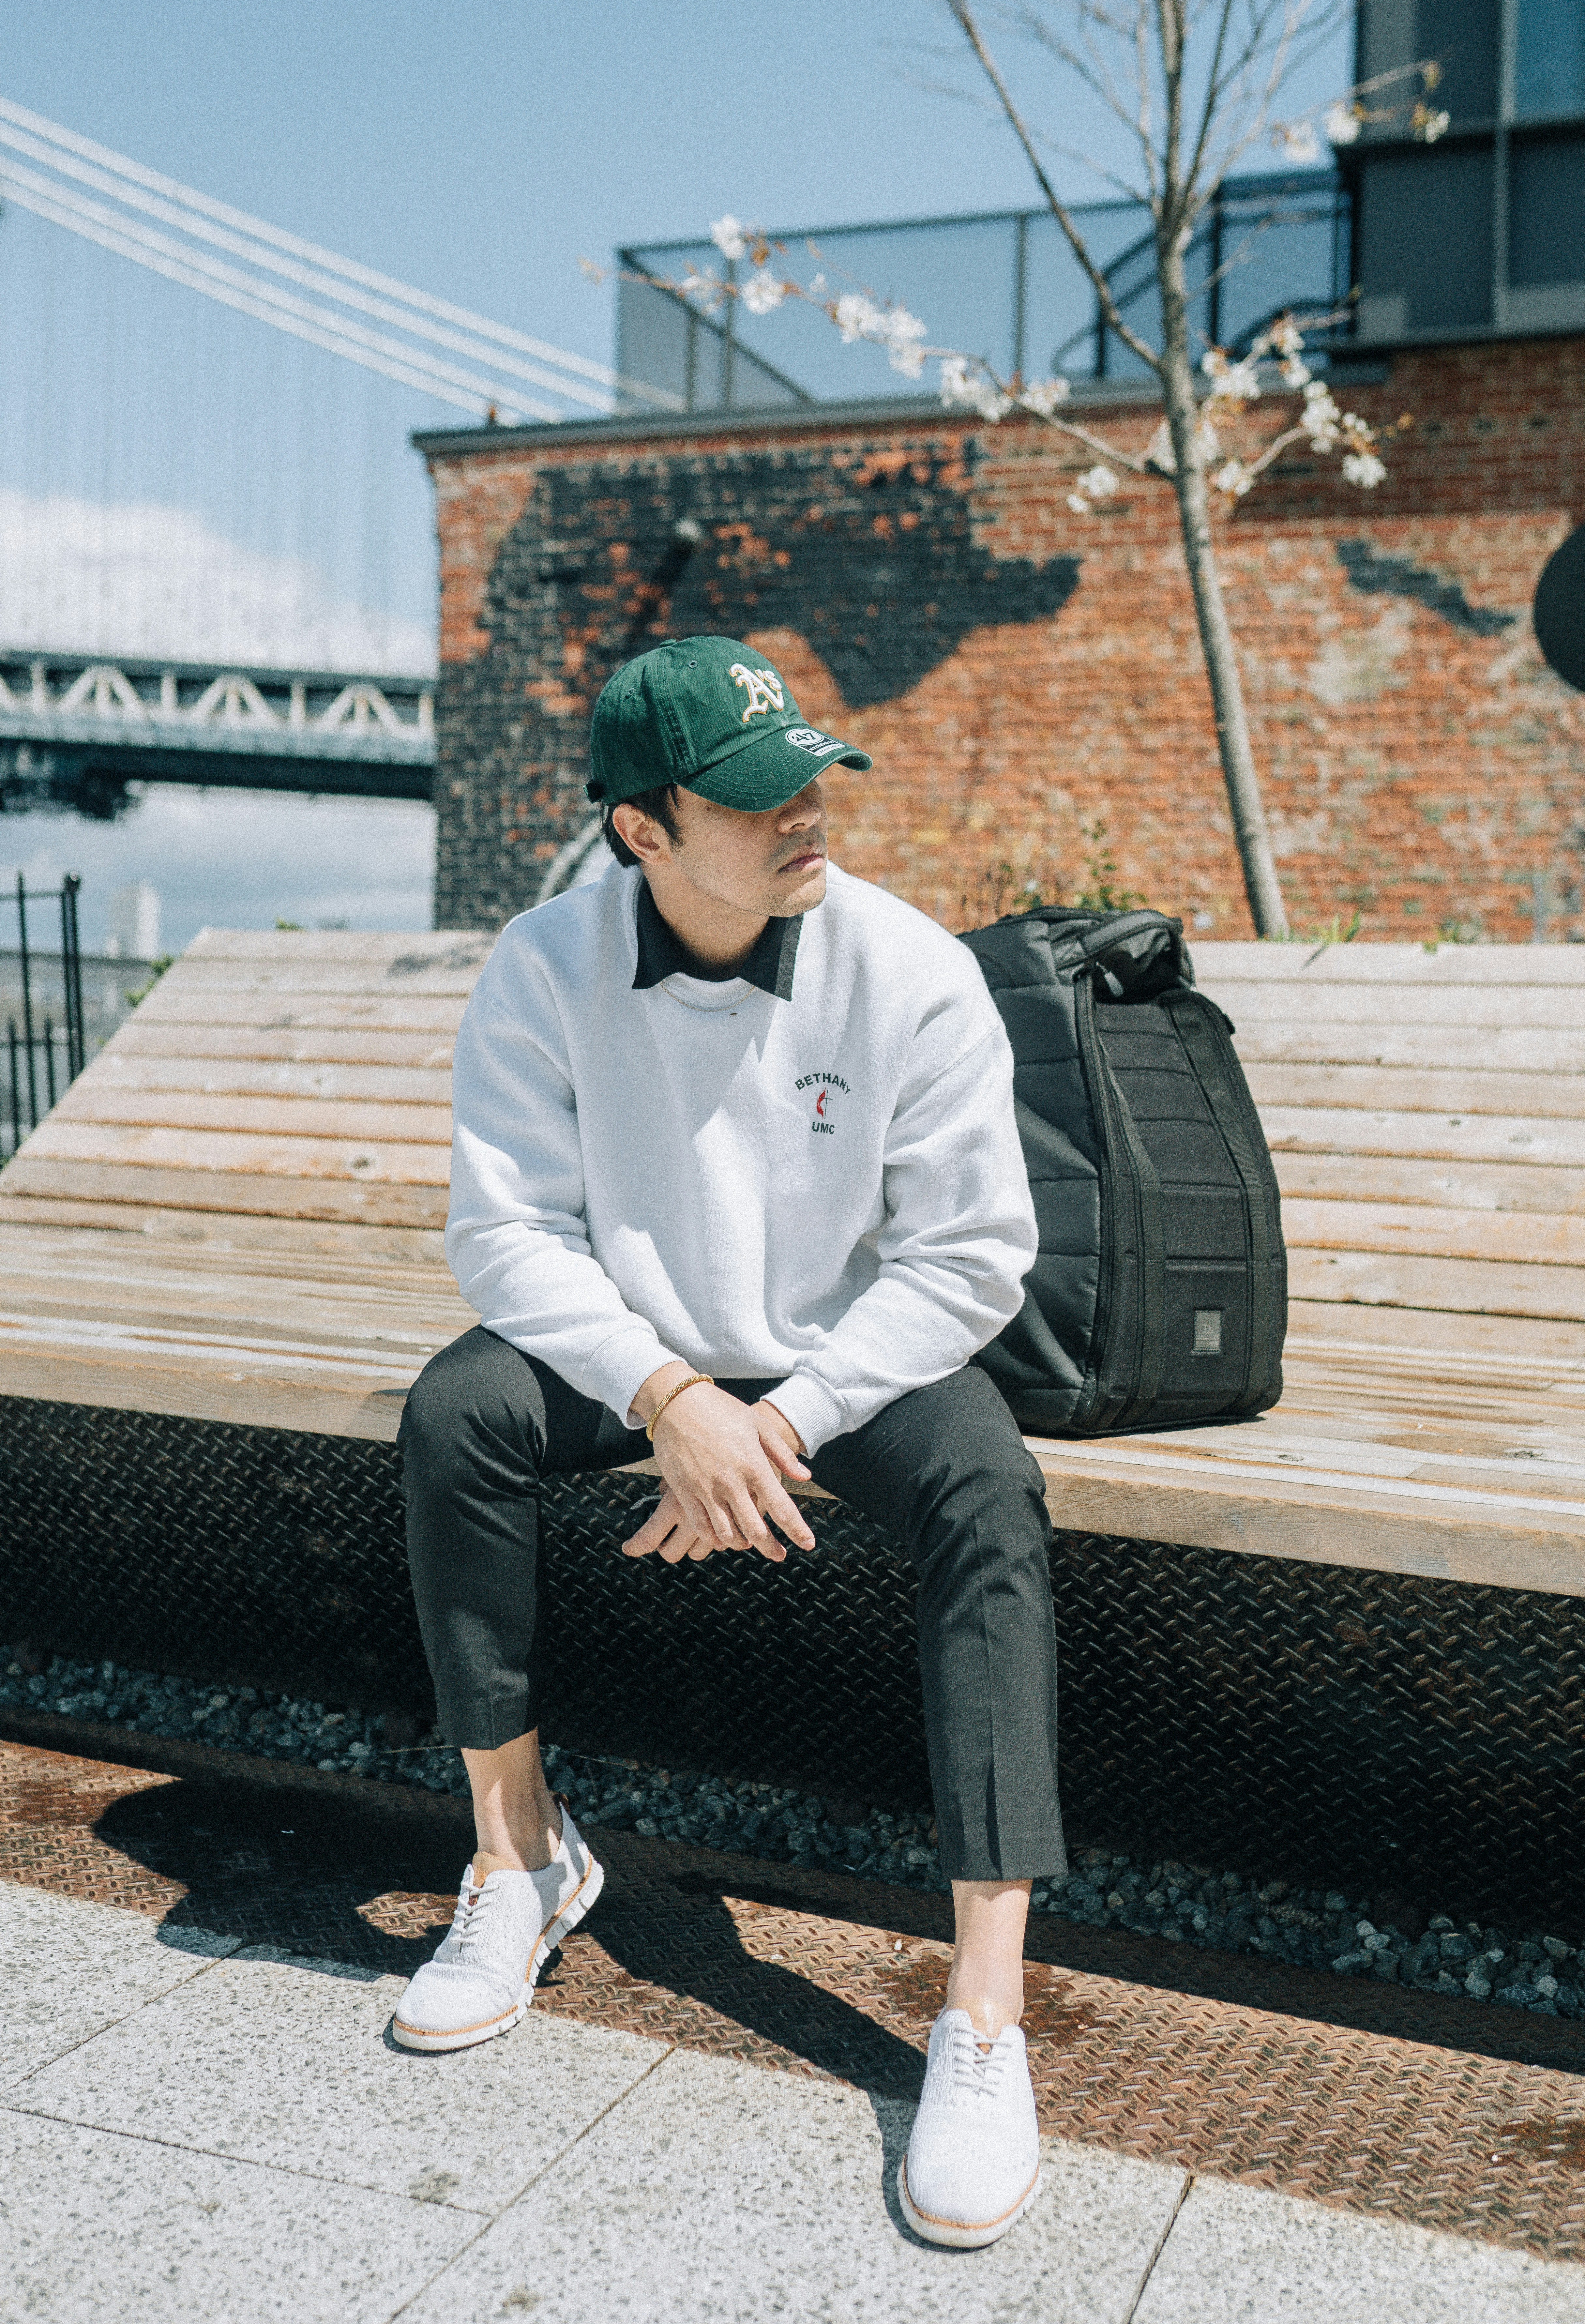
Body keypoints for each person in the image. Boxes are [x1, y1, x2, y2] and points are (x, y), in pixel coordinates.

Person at [393, 634, 1064, 2250]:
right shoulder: (544, 967)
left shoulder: (908, 969)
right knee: (455, 1415)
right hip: (638, 1352)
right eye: (758, 797)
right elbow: (504, 1233)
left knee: (990, 1490)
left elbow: (972, 1256)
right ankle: (519, 1857)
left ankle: (985, 2011)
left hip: (850, 1357)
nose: (806, 814)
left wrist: (779, 1423)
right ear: (644, 828)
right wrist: (667, 1397)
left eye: (812, 778)